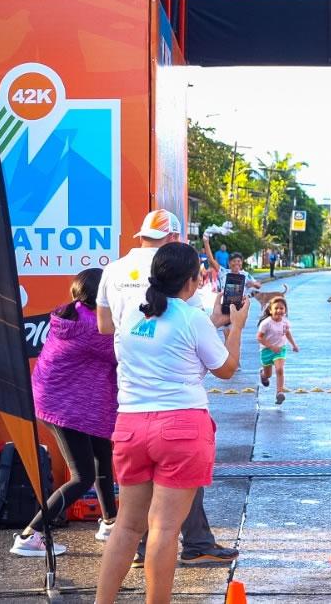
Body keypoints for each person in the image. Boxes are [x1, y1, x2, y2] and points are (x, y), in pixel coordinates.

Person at [95, 243, 250, 604]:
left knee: (127, 526)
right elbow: (226, 369)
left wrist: (212, 322)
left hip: (131, 427)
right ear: (194, 281)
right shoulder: (192, 319)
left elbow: (167, 332)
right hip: (181, 428)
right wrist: (236, 327)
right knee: (164, 528)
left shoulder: (132, 314)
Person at [11, 268, 117, 558]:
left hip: (65, 400)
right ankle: (29, 535)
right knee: (82, 476)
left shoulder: (76, 312)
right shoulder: (93, 327)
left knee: (101, 454)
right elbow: (123, 353)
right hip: (63, 407)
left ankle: (110, 523)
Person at [257, 296, 299, 405]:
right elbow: (259, 337)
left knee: (279, 369)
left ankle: (279, 392)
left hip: (280, 349)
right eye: (276, 308)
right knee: (268, 375)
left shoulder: (285, 322)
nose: (279, 310)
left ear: (285, 310)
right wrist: (271, 347)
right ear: (270, 310)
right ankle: (263, 375)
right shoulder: (266, 323)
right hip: (266, 350)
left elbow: (287, 333)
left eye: (282, 308)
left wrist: (293, 345)